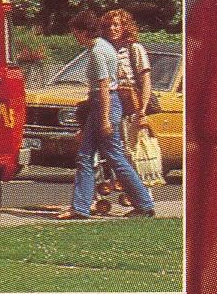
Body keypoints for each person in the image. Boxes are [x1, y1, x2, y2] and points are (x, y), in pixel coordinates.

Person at [56, 11, 155, 221]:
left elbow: (104, 86)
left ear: (84, 31)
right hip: (104, 103)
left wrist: (105, 119)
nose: (75, 37)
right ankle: (82, 207)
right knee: (90, 156)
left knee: (112, 156)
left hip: (104, 104)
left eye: (76, 33)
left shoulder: (97, 51)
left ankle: (144, 204)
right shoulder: (103, 46)